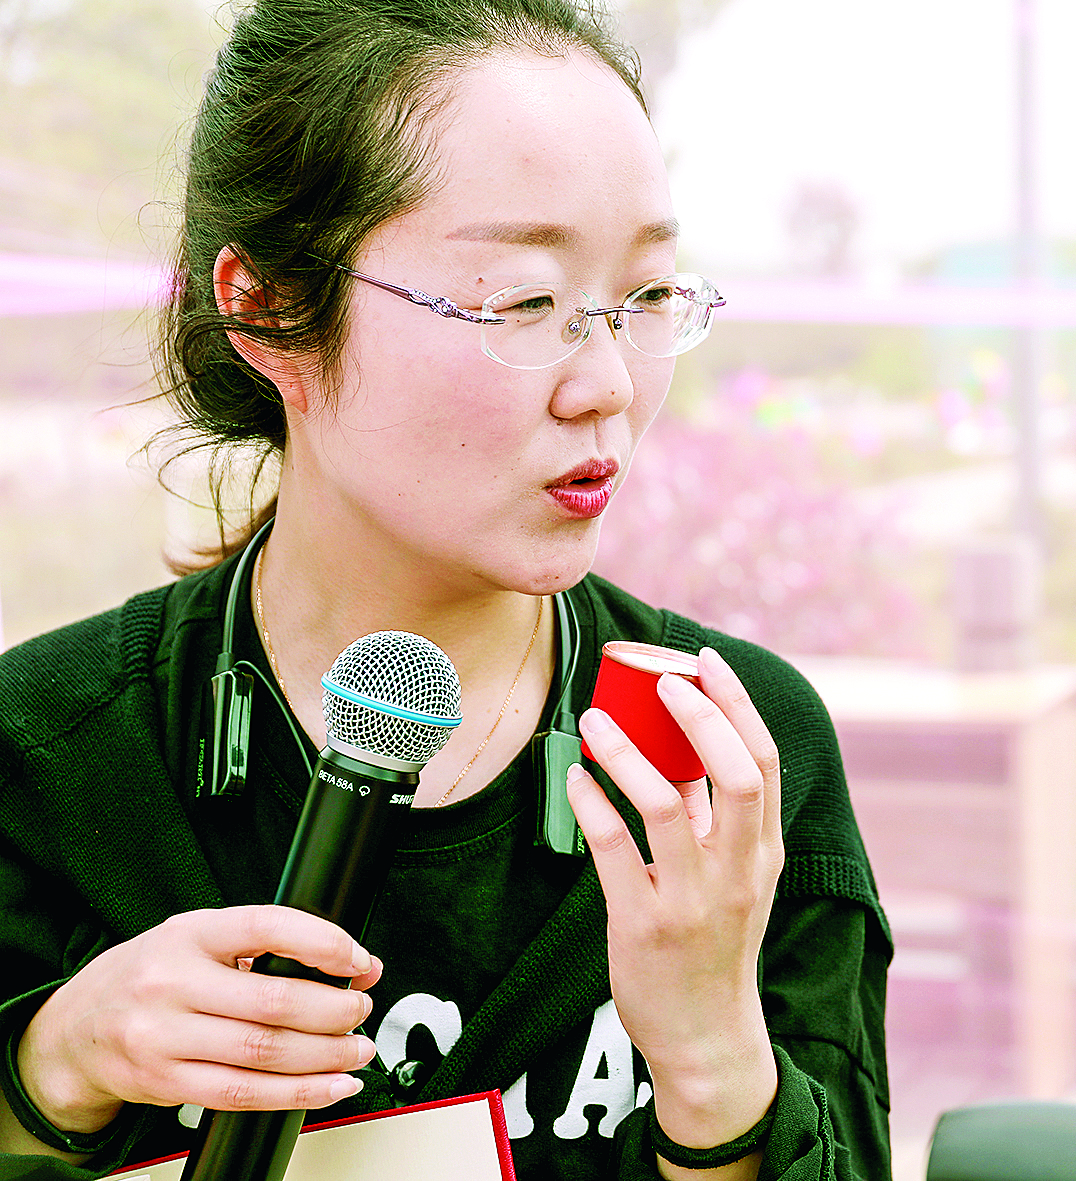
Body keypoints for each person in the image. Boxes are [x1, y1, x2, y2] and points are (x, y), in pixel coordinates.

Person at [0, 2, 891, 1179]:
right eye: (522, 301)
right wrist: (53, 1062)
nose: (606, 384)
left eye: (646, 297)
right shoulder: (48, 753)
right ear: (267, 306)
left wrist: (717, 1063)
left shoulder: (721, 759)